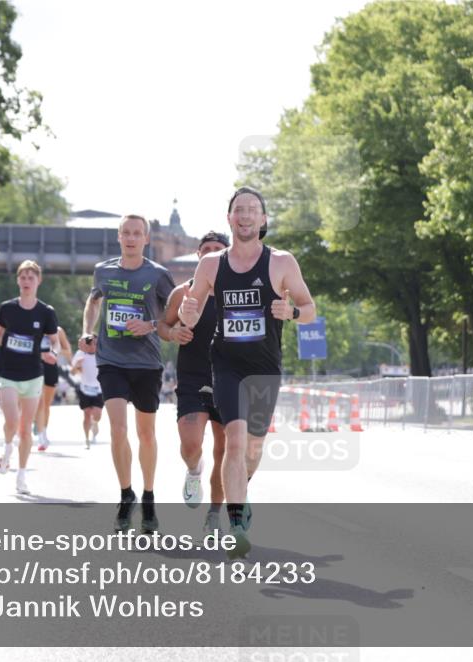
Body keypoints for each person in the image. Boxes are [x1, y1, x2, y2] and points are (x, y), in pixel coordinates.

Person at [179, 186, 315, 557]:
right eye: (239, 209)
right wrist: (187, 315)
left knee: (253, 449)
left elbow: (310, 307)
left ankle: (243, 488)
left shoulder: (282, 262)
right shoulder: (210, 264)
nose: (245, 215)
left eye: (252, 209)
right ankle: (236, 523)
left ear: (263, 219)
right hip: (225, 364)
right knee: (234, 443)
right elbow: (191, 307)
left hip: (265, 368)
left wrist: (294, 313)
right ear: (229, 218)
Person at [80, 214, 175, 533]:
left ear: (146, 239)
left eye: (137, 233)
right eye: (126, 233)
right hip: (111, 360)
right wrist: (87, 330)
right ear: (118, 237)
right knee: (118, 430)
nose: (131, 238)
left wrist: (148, 325)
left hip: (146, 362)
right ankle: (126, 495)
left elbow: (170, 321)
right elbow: (93, 302)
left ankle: (148, 497)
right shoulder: (103, 271)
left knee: (146, 434)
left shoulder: (159, 275)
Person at [160, 230, 230, 534]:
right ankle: (193, 469)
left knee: (224, 453)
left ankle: (215, 513)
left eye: (218, 249)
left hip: (231, 378)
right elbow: (163, 325)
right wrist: (174, 334)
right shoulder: (184, 292)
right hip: (193, 377)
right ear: (199, 256)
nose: (212, 253)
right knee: (191, 444)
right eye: (207, 249)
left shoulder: (239, 292)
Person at [0, 260, 59, 495]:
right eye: (22, 278)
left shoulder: (46, 312)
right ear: (17, 281)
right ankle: (6, 451)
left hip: (33, 375)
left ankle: (21, 476)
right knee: (12, 421)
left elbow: (54, 340)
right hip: (9, 374)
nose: (26, 282)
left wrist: (53, 353)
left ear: (38, 281)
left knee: (25, 430)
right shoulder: (7, 308)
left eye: (30, 278)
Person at [35, 325, 73, 451]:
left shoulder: (58, 330)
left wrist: (53, 351)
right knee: (36, 401)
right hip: (33, 366)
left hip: (50, 366)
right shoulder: (32, 325)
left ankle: (43, 434)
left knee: (45, 404)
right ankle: (36, 426)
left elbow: (68, 351)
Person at [71, 335, 104, 449]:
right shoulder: (80, 354)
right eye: (90, 343)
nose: (93, 345)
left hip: (99, 389)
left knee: (97, 415)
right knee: (86, 415)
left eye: (95, 343)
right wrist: (77, 365)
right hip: (85, 388)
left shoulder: (102, 354)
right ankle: (86, 439)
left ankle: (95, 423)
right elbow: (73, 372)